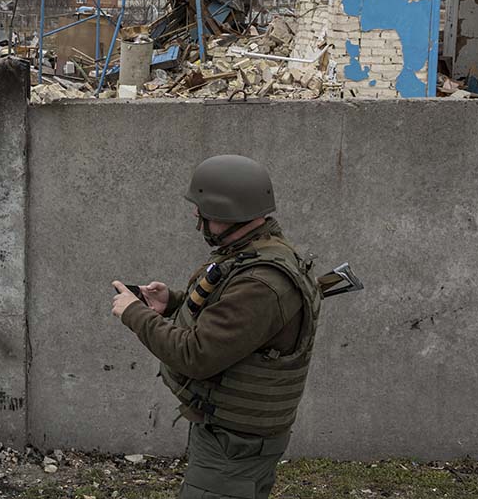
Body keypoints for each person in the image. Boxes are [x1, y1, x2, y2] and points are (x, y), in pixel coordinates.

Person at [110, 154, 321, 499]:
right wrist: (172, 302)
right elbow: (232, 318)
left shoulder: (260, 282)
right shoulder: (256, 252)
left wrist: (135, 313)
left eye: (204, 210)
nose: (197, 215)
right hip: (233, 439)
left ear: (229, 212)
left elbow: (195, 355)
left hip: (234, 447)